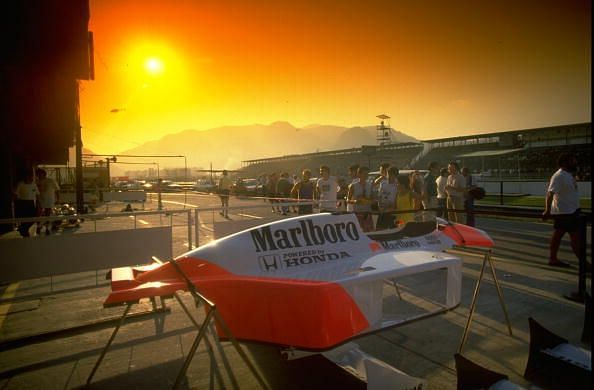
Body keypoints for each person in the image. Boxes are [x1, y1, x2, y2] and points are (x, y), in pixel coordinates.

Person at [542, 153, 582, 268]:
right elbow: (550, 193)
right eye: (572, 160)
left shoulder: (568, 175)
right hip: (565, 212)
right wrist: (547, 210)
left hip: (572, 210)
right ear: (565, 163)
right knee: (575, 237)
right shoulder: (559, 176)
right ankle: (584, 263)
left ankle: (553, 259)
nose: (575, 162)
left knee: (558, 235)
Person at [347, 166, 374, 232]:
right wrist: (355, 201)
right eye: (364, 174)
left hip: (367, 213)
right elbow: (347, 200)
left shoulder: (370, 185)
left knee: (369, 233)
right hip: (357, 213)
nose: (366, 176)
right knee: (358, 232)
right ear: (359, 174)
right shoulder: (353, 186)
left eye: (367, 174)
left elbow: (373, 199)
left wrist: (370, 201)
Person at [14, 171, 39, 237]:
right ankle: (24, 232)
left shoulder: (33, 184)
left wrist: (38, 204)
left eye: (31, 177)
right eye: (28, 176)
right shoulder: (20, 184)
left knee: (32, 218)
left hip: (31, 202)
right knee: (23, 218)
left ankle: (28, 230)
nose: (30, 178)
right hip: (23, 202)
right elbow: (16, 194)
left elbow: (37, 194)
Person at [35, 168, 60, 235]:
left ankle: (47, 228)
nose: (39, 175)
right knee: (38, 215)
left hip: (49, 200)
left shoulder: (51, 181)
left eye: (40, 174)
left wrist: (58, 199)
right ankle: (39, 227)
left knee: (47, 215)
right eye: (38, 174)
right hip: (39, 200)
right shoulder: (36, 182)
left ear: (44, 174)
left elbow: (57, 190)